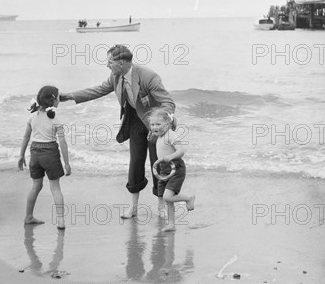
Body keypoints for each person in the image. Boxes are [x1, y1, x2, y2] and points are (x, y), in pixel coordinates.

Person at [60, 45, 175, 219]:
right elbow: (97, 90)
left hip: (156, 123)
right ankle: (133, 208)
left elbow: (168, 103)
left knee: (157, 163)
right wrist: (70, 96)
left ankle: (161, 206)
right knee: (135, 162)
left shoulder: (148, 76)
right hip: (135, 121)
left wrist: (159, 124)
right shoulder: (116, 76)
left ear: (121, 62)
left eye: (110, 62)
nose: (107, 65)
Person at [18, 85, 71, 229]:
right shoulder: (56, 118)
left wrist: (21, 155)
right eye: (59, 97)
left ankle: (28, 216)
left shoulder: (32, 116)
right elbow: (62, 142)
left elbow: (26, 137)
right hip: (50, 153)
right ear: (53, 100)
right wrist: (67, 163)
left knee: (35, 186)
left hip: (34, 153)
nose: (60, 99)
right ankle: (60, 221)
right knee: (55, 188)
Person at [149, 108, 194, 231]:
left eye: (158, 124)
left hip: (176, 168)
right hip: (164, 170)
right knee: (168, 199)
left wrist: (170, 156)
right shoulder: (158, 136)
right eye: (152, 124)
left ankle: (188, 198)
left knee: (167, 197)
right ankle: (171, 224)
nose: (154, 127)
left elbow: (181, 151)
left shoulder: (171, 135)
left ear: (167, 124)